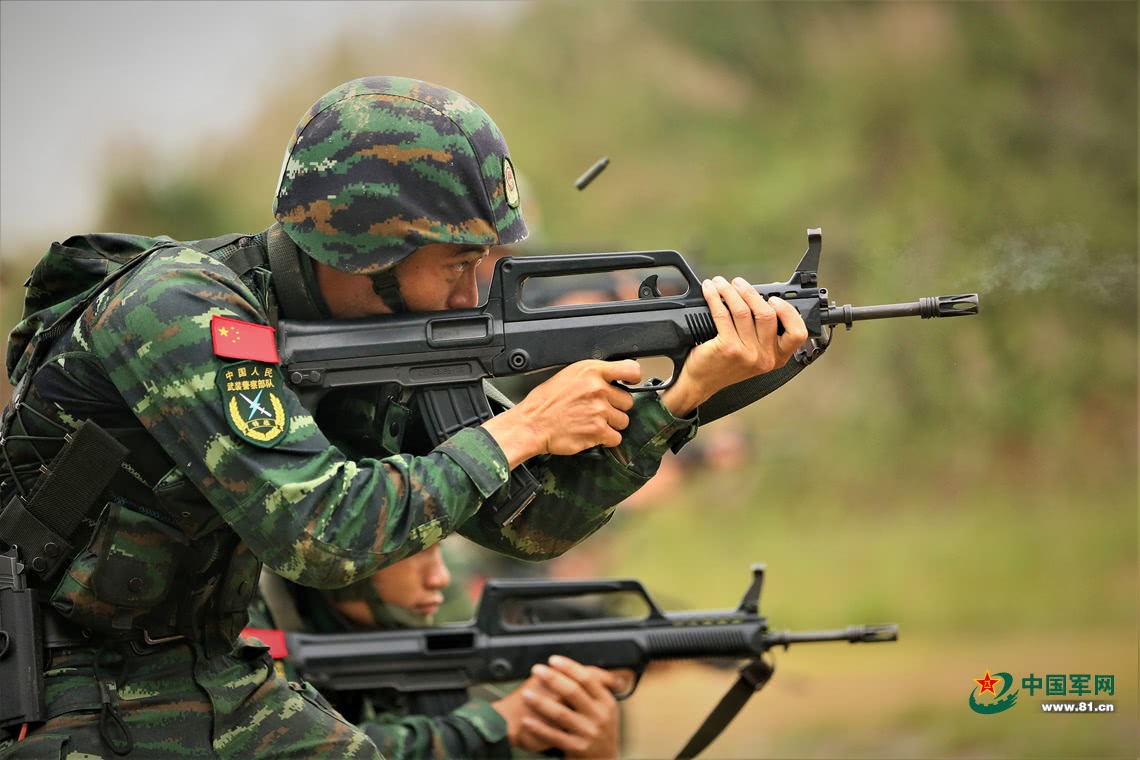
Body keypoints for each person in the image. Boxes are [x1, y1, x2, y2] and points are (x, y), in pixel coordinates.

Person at [0, 75, 807, 758]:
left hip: (212, 675)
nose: (474, 290)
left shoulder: (354, 336)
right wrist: (520, 427)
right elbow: (317, 532)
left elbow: (528, 521)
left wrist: (680, 399)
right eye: (459, 263)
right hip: (72, 691)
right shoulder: (177, 309)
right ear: (362, 249)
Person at [247, 544, 626, 759]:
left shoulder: (419, 625)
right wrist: (490, 726)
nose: (440, 577)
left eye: (440, 550)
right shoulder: (241, 627)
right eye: (417, 551)